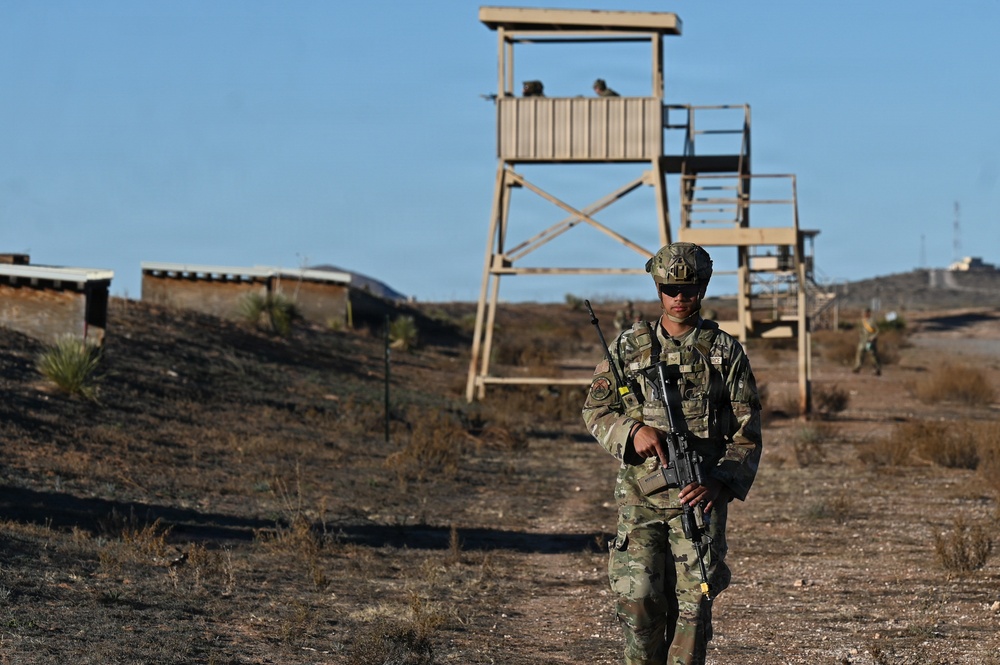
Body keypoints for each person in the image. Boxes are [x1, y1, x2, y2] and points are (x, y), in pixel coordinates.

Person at [582, 242, 763, 665]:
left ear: (703, 288)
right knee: (640, 601)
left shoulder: (724, 352)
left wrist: (719, 481)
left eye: (691, 289)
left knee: (693, 611)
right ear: (658, 288)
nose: (681, 298)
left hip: (699, 502)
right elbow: (595, 408)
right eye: (671, 289)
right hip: (641, 501)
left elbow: (747, 430)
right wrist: (632, 431)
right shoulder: (629, 346)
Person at [852, 308, 882, 375]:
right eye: (863, 312)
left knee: (871, 354)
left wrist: (873, 337)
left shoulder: (872, 321)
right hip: (863, 341)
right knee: (860, 353)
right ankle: (857, 367)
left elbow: (877, 330)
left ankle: (877, 369)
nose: (864, 314)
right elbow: (860, 330)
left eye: (865, 312)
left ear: (868, 313)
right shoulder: (861, 321)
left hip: (869, 341)